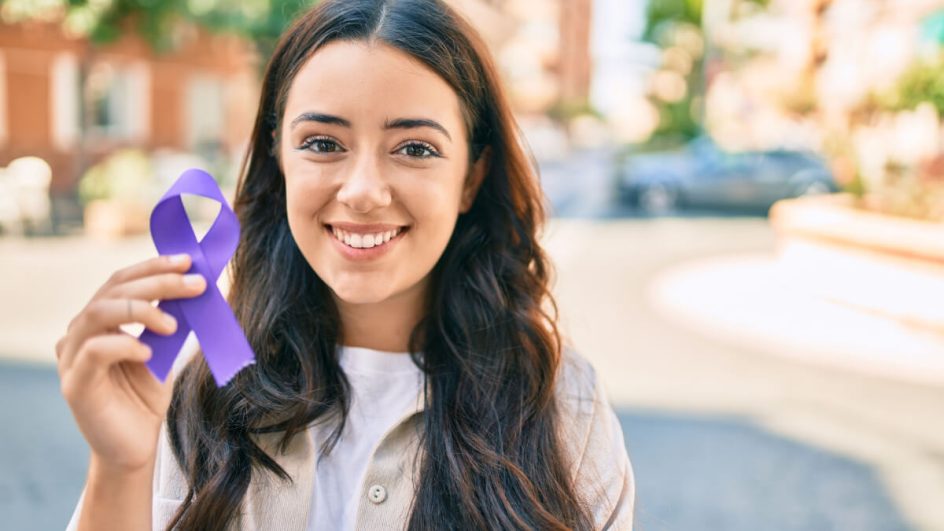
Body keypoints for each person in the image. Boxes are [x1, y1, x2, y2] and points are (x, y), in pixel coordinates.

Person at [58, 0, 635, 529]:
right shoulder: (189, 389)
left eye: (415, 148)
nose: (362, 192)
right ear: (278, 159)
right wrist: (119, 468)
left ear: (471, 177)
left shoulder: (563, 405)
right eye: (322, 143)